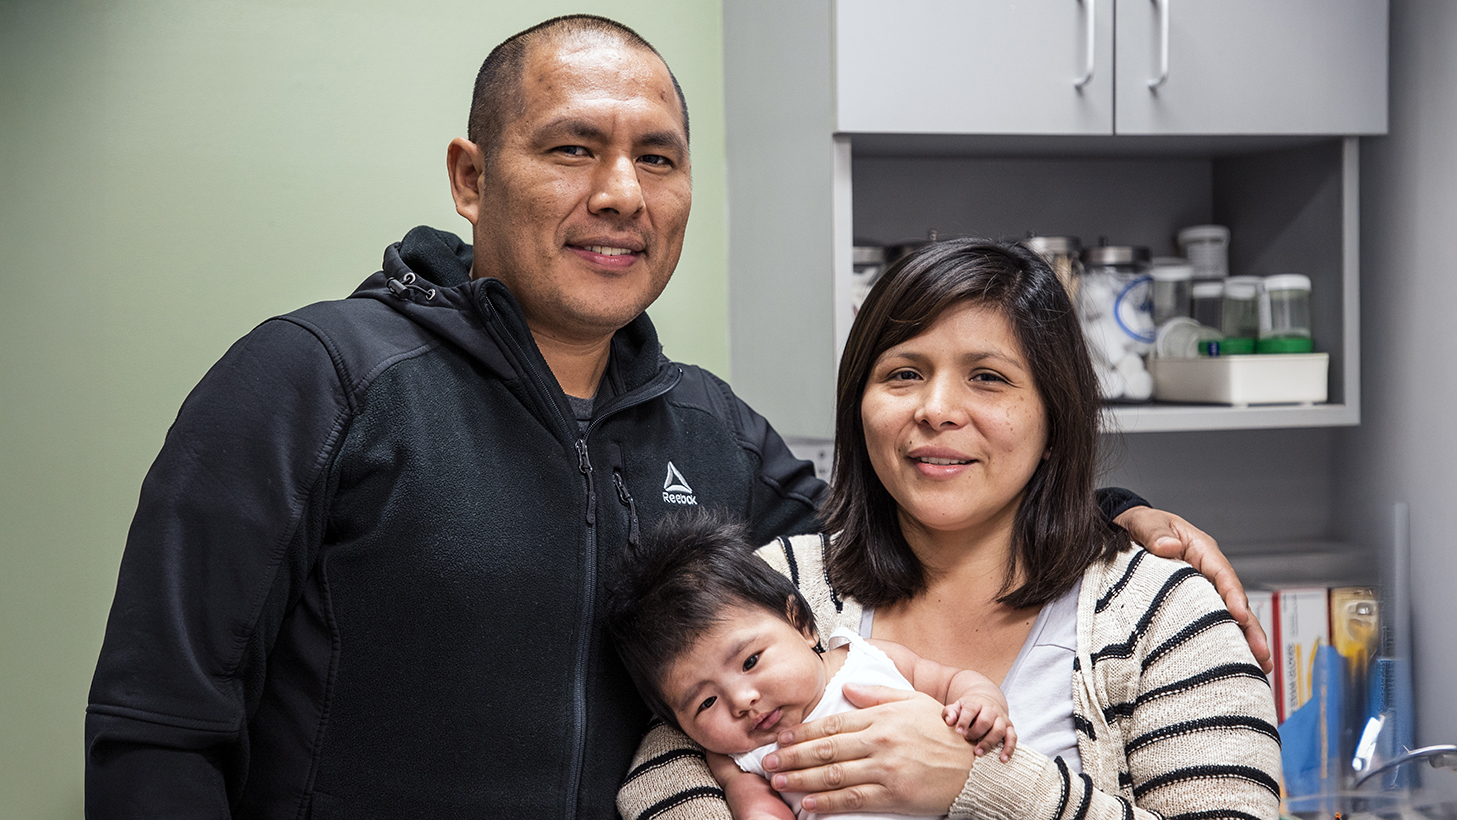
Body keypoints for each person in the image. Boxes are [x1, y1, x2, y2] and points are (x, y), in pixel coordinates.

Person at [84, 14, 1265, 819]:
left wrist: (1112, 512)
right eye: (571, 148)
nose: (620, 194)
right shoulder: (312, 378)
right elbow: (157, 725)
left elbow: (903, 513)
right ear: (468, 175)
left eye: (658, 157)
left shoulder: (708, 429)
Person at [618, 240, 1281, 820]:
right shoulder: (778, 582)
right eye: (903, 374)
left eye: (987, 378)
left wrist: (976, 781)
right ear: (859, 407)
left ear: (1055, 419)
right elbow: (665, 766)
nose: (936, 410)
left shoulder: (1162, 613)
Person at [606, 508, 1016, 820]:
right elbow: (750, 798)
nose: (743, 701)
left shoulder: (866, 658)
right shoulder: (739, 757)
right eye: (705, 703)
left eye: (750, 661)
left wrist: (981, 702)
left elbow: (951, 682)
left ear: (801, 623)